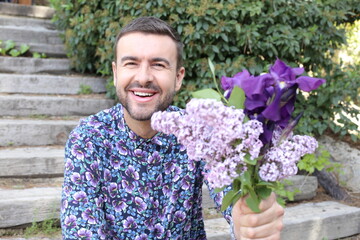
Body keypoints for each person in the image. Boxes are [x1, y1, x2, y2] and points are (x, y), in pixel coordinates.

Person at [60, 16, 284, 240]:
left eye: (158, 64)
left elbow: (229, 190)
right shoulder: (88, 138)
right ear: (116, 72)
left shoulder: (199, 132)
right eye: (131, 63)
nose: (144, 77)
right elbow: (80, 229)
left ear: (178, 78)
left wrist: (246, 218)